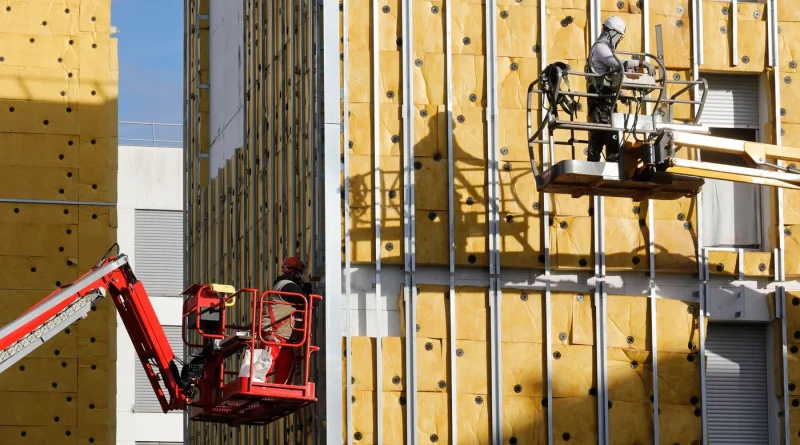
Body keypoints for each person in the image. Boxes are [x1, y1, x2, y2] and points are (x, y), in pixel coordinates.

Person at [585, 16, 653, 162]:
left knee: (611, 132)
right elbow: (616, 63)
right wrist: (640, 63)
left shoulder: (604, 49)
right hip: (599, 98)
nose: (619, 41)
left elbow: (610, 79)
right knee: (601, 131)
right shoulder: (600, 47)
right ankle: (596, 161)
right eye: (619, 37)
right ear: (612, 33)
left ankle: (612, 161)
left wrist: (621, 93)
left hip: (606, 98)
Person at [259, 257, 312, 385]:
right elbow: (307, 301)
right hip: (275, 335)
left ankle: (277, 394)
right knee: (264, 368)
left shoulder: (284, 284)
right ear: (297, 272)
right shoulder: (288, 285)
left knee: (285, 367)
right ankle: (258, 390)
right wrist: (307, 283)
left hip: (283, 337)